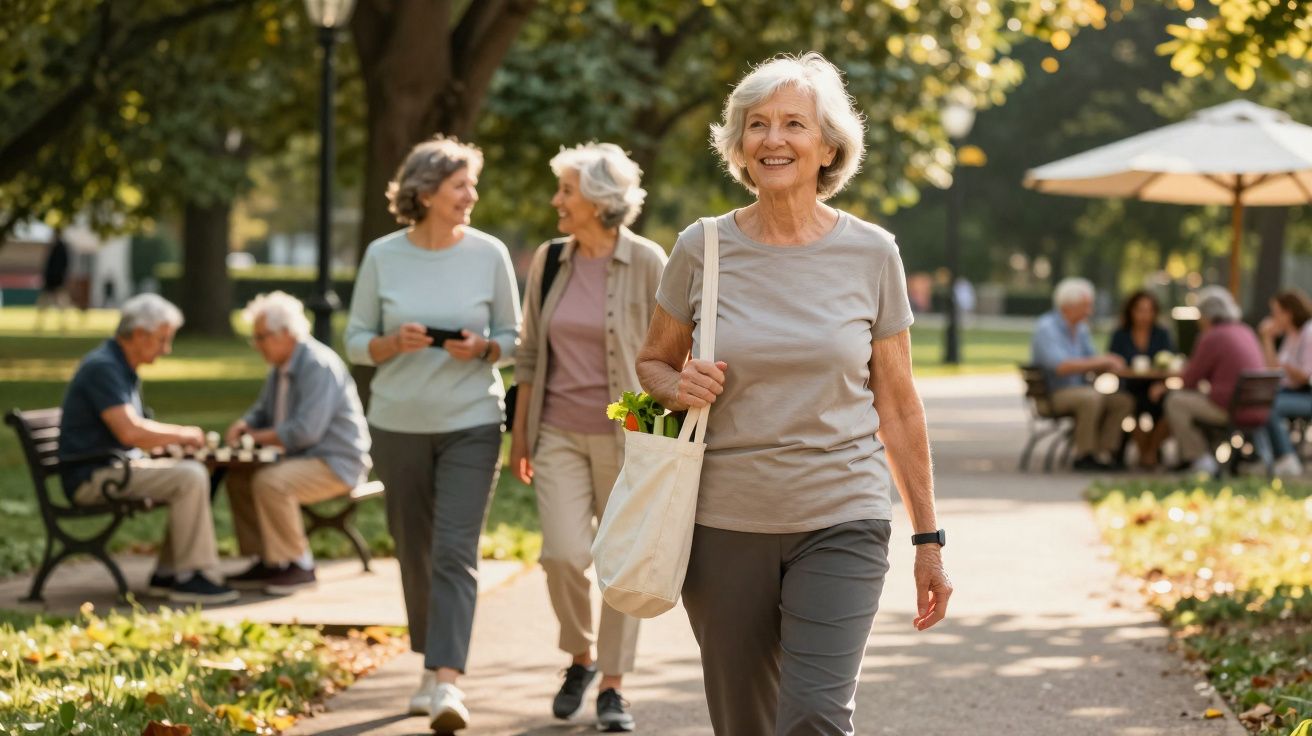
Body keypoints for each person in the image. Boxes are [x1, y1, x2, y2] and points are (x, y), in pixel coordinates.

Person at [635, 52, 951, 735]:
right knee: (744, 721)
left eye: (792, 124)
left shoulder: (873, 254)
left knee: (813, 715)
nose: (773, 139)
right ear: (739, 146)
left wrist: (928, 538)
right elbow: (652, 364)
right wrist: (677, 382)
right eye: (757, 125)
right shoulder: (702, 248)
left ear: (829, 145)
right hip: (723, 525)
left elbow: (898, 404)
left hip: (843, 516)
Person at [344, 135, 521, 733]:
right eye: (460, 186)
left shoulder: (490, 253)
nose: (472, 195)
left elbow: (515, 337)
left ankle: (447, 683)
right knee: (414, 552)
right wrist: (392, 345)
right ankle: (428, 665)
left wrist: (485, 349)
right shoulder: (382, 256)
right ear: (423, 194)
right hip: (398, 424)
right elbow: (353, 339)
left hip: (471, 420)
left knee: (453, 550)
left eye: (472, 184)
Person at [508, 143, 666, 731]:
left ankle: (614, 688)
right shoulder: (550, 262)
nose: (557, 201)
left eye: (566, 191)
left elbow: (676, 349)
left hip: (630, 440)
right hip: (556, 435)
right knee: (562, 555)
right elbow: (528, 355)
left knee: (622, 567)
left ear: (600, 200)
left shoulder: (650, 261)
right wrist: (519, 436)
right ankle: (580, 657)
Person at [58, 294, 236, 604]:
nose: (166, 349)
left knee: (196, 471)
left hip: (114, 467)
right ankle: (192, 576)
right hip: (94, 476)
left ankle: (169, 572)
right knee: (190, 476)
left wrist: (168, 445)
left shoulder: (120, 365)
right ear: (139, 333)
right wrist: (181, 435)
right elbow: (129, 431)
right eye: (162, 340)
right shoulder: (104, 367)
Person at [222, 291, 372, 595]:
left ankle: (298, 565)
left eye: (261, 337)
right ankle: (267, 559)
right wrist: (244, 425)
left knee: (271, 482)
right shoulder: (280, 368)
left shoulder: (317, 365)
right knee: (238, 477)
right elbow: (262, 411)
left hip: (336, 462)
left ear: (286, 334)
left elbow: (306, 431)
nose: (257, 345)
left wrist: (255, 437)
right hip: (303, 458)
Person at [1030, 277, 1135, 471]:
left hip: (1081, 390)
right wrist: (1102, 360)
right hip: (1053, 394)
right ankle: (1084, 454)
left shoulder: (1081, 330)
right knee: (1090, 398)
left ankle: (1104, 453)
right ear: (1069, 306)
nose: (1090, 311)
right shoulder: (1047, 328)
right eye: (1086, 306)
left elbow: (1091, 359)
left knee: (1122, 400)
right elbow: (1061, 366)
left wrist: (1109, 364)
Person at [1161, 287, 1268, 475]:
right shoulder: (1245, 330)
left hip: (1231, 408)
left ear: (1205, 315)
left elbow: (1190, 381)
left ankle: (1200, 459)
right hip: (1259, 406)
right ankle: (1199, 455)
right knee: (1195, 401)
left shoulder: (1212, 336)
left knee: (1175, 401)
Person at [1107, 290, 1175, 468]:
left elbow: (1171, 362)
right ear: (1131, 311)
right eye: (1140, 310)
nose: (1145, 315)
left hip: (1156, 387)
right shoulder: (1121, 335)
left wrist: (1161, 385)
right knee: (1129, 405)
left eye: (1149, 310)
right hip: (1129, 385)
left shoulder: (1161, 334)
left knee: (1169, 406)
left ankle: (1150, 450)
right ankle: (1146, 452)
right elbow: (1112, 361)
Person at [1257, 289, 1312, 477]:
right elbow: (1272, 370)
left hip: (1306, 395)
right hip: (1288, 392)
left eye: (1276, 313)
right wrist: (1267, 338)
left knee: (1268, 405)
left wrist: (1285, 365)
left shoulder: (1308, 333)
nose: (1273, 318)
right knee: (1256, 401)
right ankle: (1265, 457)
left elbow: (1305, 376)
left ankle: (1286, 458)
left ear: (1288, 313)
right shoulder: (1291, 335)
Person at [36, 227, 72, 330]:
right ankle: (41, 323)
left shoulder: (60, 247)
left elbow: (62, 265)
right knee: (45, 303)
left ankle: (62, 324)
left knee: (60, 303)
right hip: (52, 281)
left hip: (56, 280)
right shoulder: (55, 247)